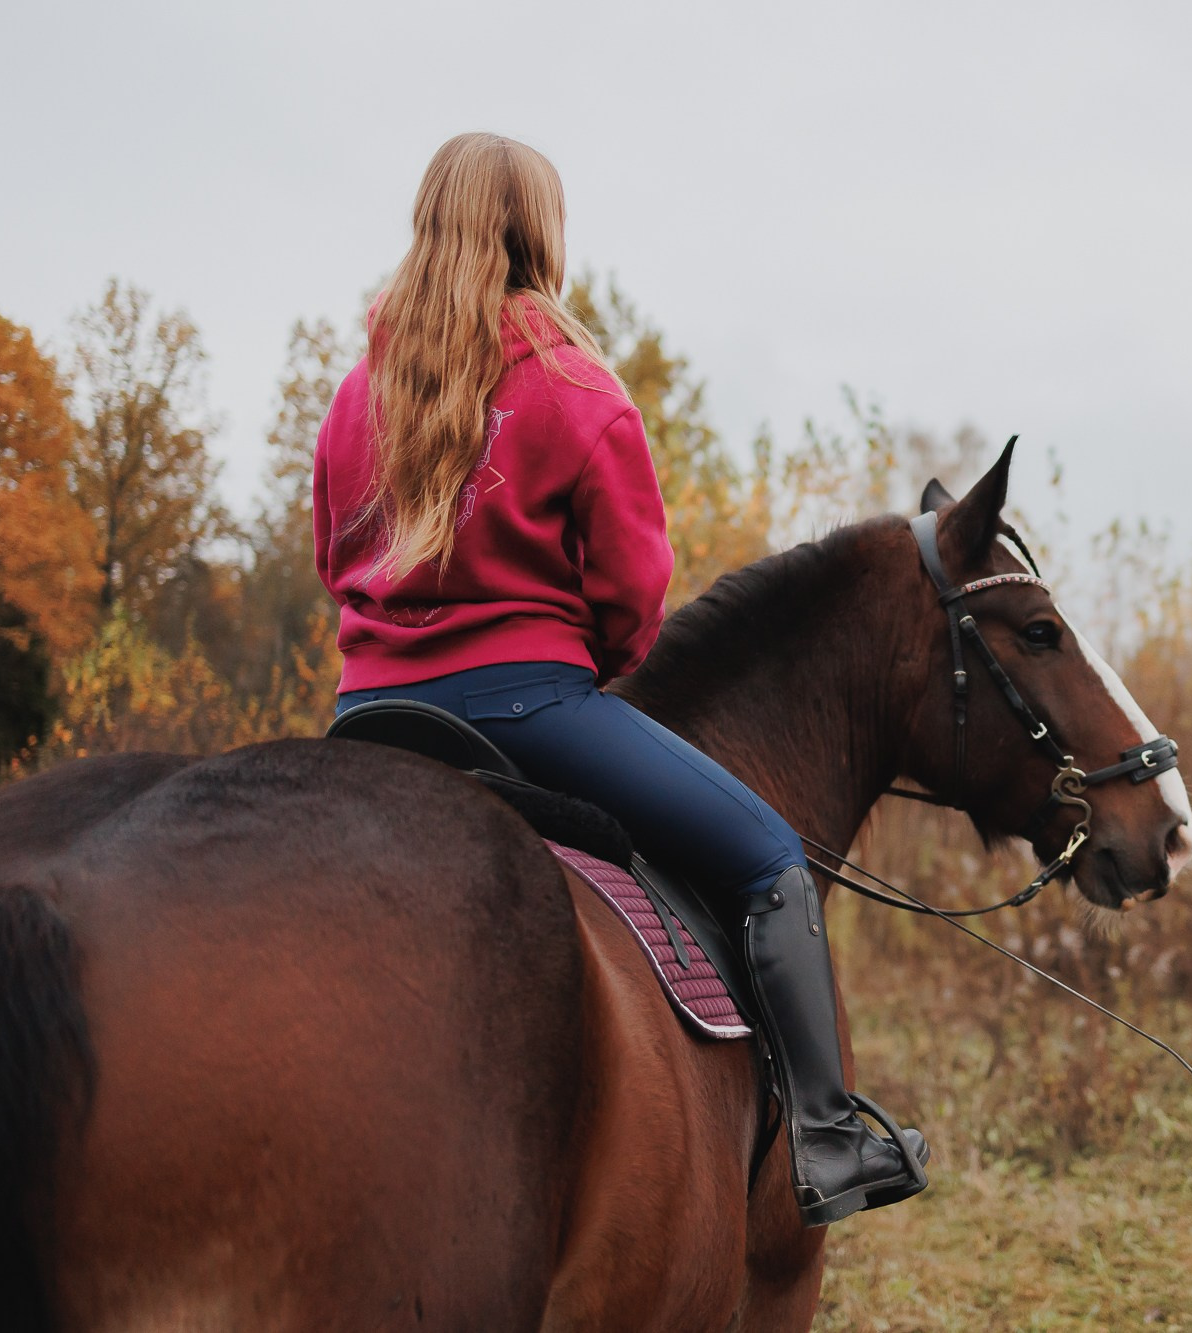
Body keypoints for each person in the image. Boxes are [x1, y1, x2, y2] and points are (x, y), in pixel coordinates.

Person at [312, 131, 926, 1227]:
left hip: (368, 716)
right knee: (771, 859)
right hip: (530, 709)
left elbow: (330, 558)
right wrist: (583, 658)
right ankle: (829, 1143)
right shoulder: (575, 388)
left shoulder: (358, 396)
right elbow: (637, 593)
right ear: (540, 232)